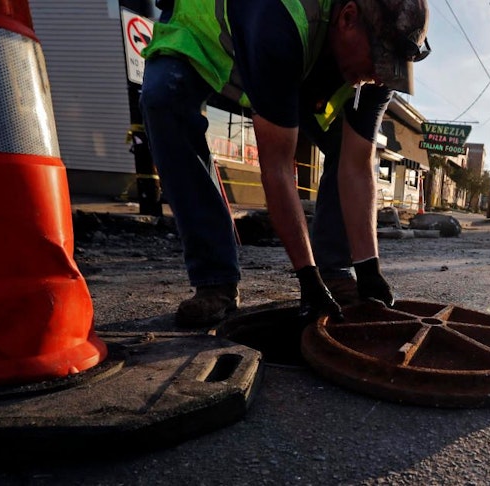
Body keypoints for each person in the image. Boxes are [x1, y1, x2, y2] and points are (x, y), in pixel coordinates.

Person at [139, 0, 430, 328]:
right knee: (164, 99)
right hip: (203, 37)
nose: (378, 76)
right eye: (377, 61)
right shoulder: (281, 19)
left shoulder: (380, 72)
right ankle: (215, 278)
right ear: (348, 17)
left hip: (293, 55)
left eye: (389, 67)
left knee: (342, 142)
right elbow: (276, 167)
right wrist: (307, 278)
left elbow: (357, 163)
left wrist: (369, 268)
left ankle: (336, 272)